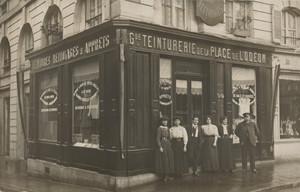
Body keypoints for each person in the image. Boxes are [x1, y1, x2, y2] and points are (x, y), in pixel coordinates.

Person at [155, 116, 174, 182]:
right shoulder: (159, 128)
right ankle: (164, 176)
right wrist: (160, 146)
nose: (165, 122)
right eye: (163, 121)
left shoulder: (168, 128)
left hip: (167, 145)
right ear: (161, 122)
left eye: (166, 121)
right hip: (162, 144)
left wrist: (169, 143)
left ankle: (168, 174)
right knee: (164, 159)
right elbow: (157, 138)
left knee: (168, 159)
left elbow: (169, 137)